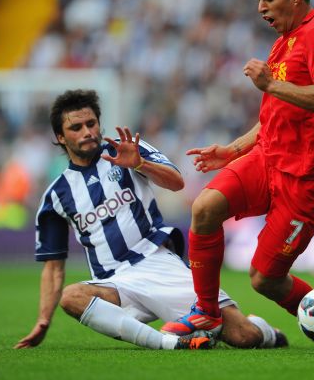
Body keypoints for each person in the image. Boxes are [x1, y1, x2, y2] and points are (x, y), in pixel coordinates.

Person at [161, 0, 314, 348]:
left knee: (264, 279)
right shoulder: (283, 41)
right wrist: (233, 150)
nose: (260, 8)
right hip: (267, 158)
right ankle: (206, 310)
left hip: (308, 176)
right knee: (204, 208)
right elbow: (276, 114)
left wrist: (270, 84)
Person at [15, 89, 286, 351]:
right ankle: (169, 342)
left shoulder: (127, 150)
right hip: (114, 285)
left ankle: (265, 331)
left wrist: (140, 164)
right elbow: (53, 268)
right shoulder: (56, 196)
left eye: (91, 123)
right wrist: (43, 320)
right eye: (76, 128)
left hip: (157, 265)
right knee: (71, 297)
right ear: (60, 137)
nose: (87, 132)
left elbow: (177, 182)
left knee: (243, 336)